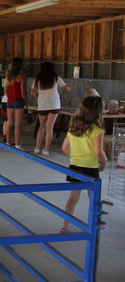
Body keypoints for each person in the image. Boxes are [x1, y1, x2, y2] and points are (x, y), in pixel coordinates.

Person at [60, 96, 107, 233]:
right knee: (93, 198)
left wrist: (76, 156)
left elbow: (64, 148)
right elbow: (99, 151)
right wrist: (104, 161)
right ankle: (95, 224)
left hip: (75, 166)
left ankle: (66, 226)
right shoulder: (97, 131)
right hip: (90, 168)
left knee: (73, 198)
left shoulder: (73, 129)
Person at [31, 61, 72, 156]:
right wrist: (70, 87)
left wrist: (39, 96)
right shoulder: (56, 77)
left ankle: (37, 147)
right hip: (54, 105)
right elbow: (67, 89)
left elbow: (32, 92)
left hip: (42, 105)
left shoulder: (37, 79)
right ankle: (46, 149)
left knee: (42, 127)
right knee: (50, 128)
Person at [5, 57, 26, 150]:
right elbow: (23, 92)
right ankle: (17, 144)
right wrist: (26, 101)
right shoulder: (21, 76)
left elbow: (5, 91)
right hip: (18, 100)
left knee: (9, 123)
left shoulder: (8, 77)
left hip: (9, 100)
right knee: (18, 124)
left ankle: (7, 142)